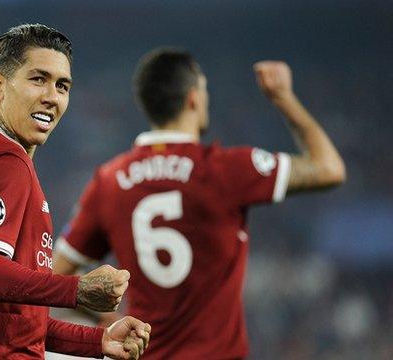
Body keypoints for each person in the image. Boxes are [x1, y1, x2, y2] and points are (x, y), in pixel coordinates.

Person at [53, 48, 346, 359]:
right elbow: (329, 169)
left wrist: (103, 321)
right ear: (194, 98)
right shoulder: (226, 169)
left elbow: (56, 277)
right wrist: (283, 97)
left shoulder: (109, 181)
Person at [0, 24, 151, 360]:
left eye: (62, 85)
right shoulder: (2, 161)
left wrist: (97, 342)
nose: (51, 97)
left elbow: (10, 319)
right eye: (37, 79)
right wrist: (76, 290)